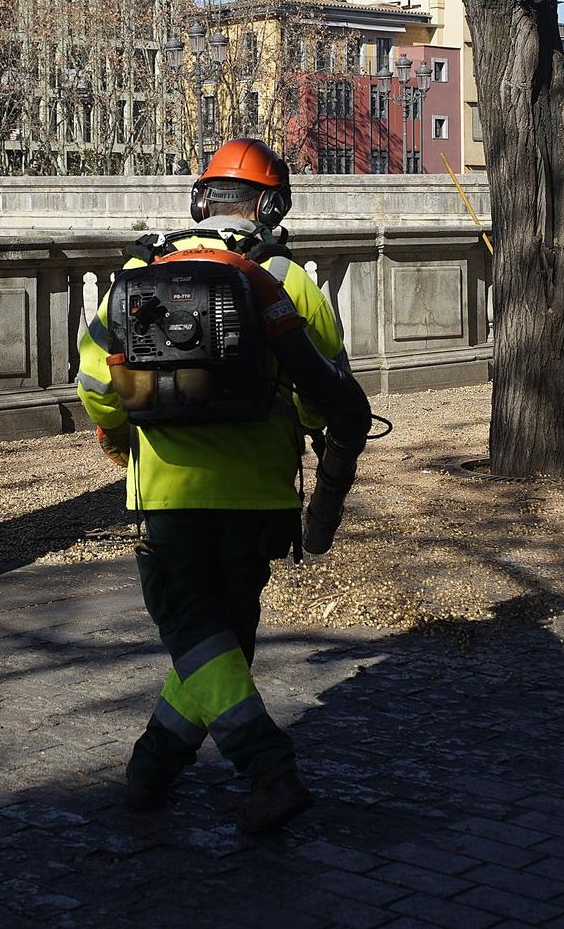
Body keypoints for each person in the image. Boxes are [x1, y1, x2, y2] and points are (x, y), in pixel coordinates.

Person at [76, 137, 372, 835]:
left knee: (196, 636)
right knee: (219, 645)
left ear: (201, 197)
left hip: (169, 496)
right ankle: (150, 769)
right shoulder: (290, 281)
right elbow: (323, 396)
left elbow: (94, 383)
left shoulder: (139, 270)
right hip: (260, 499)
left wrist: (120, 431)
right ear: (271, 205)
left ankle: (268, 767)